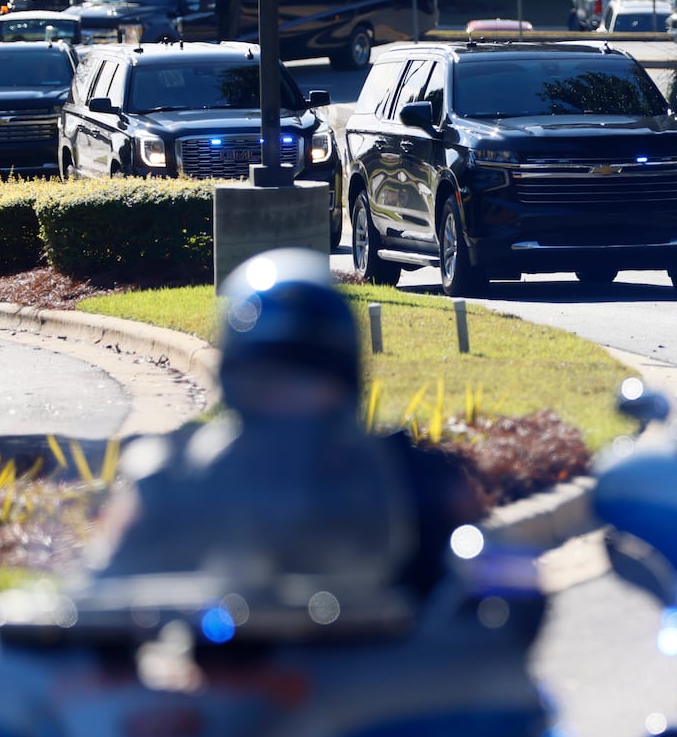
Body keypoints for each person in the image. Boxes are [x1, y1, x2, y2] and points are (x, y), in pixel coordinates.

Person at [89, 247, 485, 599]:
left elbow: (476, 596)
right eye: (263, 377)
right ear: (231, 381)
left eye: (307, 377)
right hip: (221, 674)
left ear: (343, 381)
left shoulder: (418, 480)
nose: (286, 393)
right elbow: (101, 596)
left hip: (380, 672)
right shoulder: (171, 479)